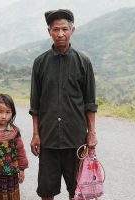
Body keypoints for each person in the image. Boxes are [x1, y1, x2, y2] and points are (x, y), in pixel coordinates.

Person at [29, 9, 98, 200]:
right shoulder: (40, 63)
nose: (60, 34)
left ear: (72, 30)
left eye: (65, 29)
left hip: (76, 139)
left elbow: (90, 103)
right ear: (48, 31)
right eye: (56, 29)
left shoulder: (83, 62)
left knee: (77, 190)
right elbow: (35, 104)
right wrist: (36, 134)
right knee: (46, 190)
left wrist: (91, 133)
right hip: (48, 138)